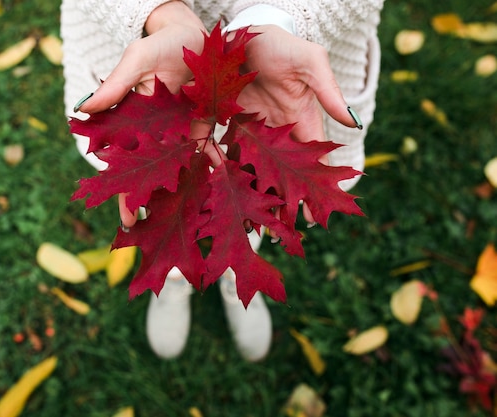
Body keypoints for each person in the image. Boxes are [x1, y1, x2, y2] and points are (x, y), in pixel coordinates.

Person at [60, 0, 383, 362]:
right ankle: (175, 272)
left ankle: (234, 270)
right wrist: (159, 14)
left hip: (282, 74)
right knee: (161, 197)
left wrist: (275, 20)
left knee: (258, 201)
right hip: (150, 67)